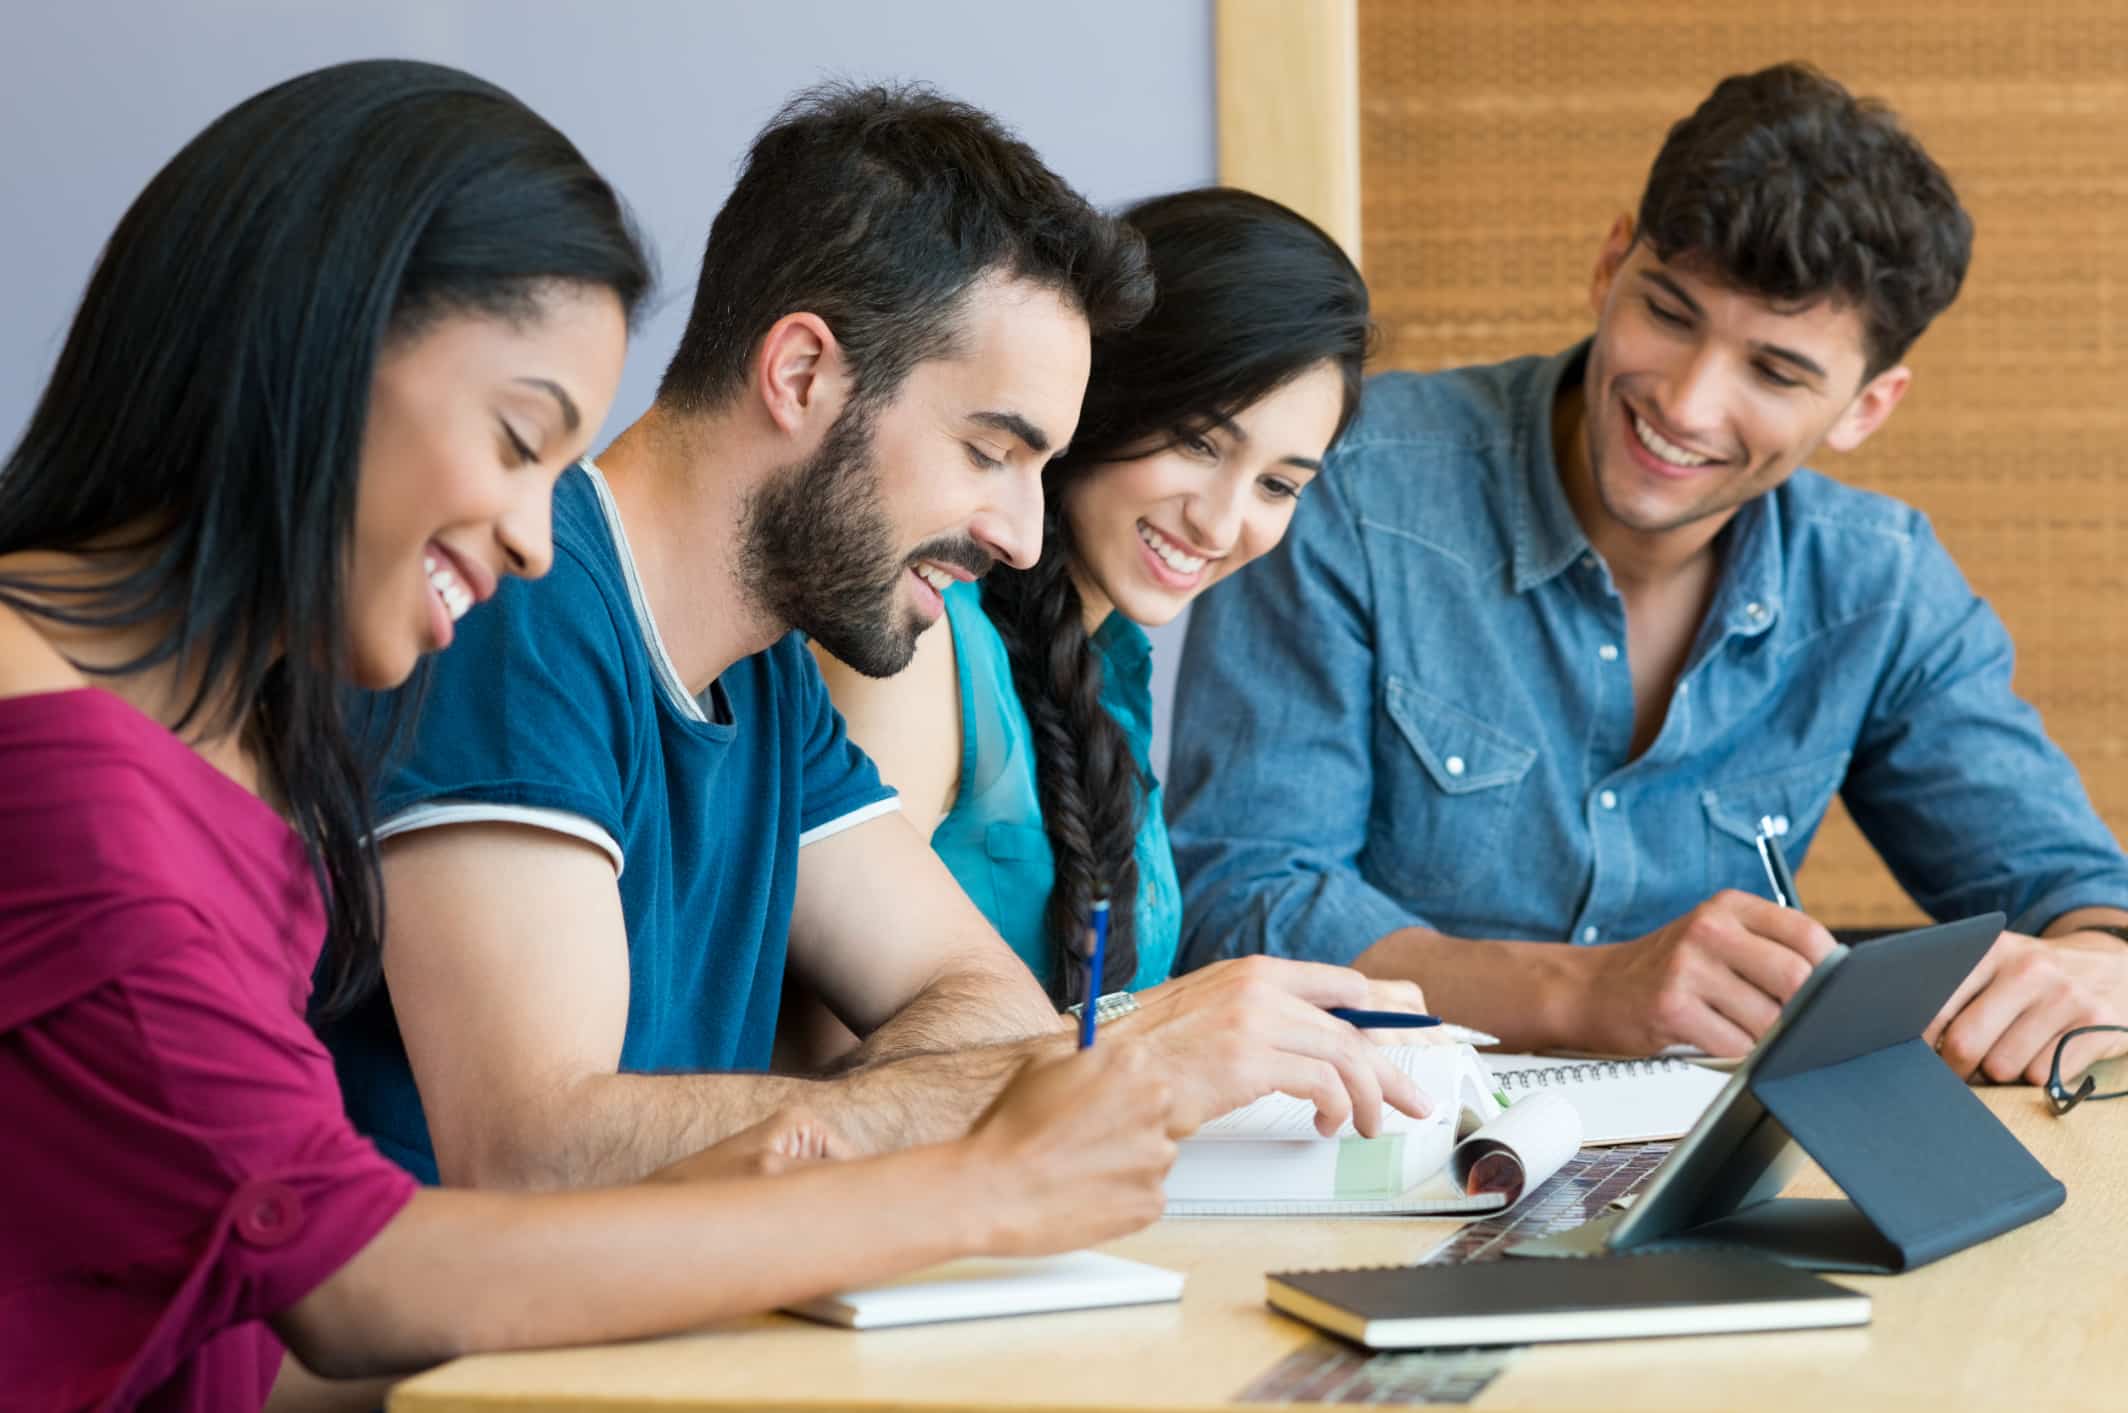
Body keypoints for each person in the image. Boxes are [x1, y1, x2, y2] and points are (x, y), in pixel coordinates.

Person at [0, 61, 1189, 1412]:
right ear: (320, 359)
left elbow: (242, 1301)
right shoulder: (70, 776)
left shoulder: (232, 741)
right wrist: (972, 1181)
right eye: (518, 439)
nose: (527, 528)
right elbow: (361, 1278)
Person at [323, 82, 1432, 1195]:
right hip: (453, 1366)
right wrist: (1130, 1050)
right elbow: (533, 1148)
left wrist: (1047, 1063)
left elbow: (976, 1001)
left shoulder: (767, 673)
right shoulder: (523, 597)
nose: (1021, 533)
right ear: (801, 374)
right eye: (990, 452)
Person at [1167, 62, 2128, 1085]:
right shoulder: (1346, 485)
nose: (1686, 402)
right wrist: (1588, 992)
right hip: (1373, 1140)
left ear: (1865, 407)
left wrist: (2091, 968)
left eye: (1773, 371)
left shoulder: (1880, 584)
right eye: (1669, 313)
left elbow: (2075, 892)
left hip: (1713, 1174)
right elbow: (1241, 901)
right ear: (1610, 263)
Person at [808, 187, 1372, 1012]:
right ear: (1101, 395)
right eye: (1198, 441)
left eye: (1279, 485)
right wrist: (1180, 1027)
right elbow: (825, 1070)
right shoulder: (919, 640)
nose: (1222, 522)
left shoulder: (1115, 671)